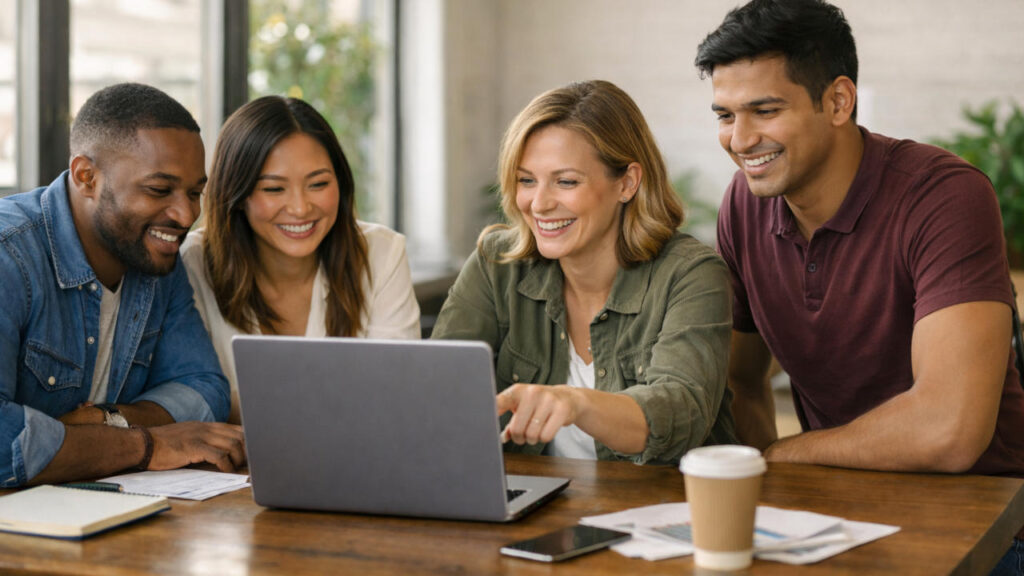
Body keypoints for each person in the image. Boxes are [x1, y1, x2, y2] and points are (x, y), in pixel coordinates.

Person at [696, 0, 1024, 571]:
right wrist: (769, 495)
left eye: (764, 110)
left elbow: (950, 429)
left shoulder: (944, 196)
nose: (740, 140)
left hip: (988, 521)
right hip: (833, 514)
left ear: (838, 101)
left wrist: (785, 457)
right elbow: (738, 379)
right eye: (725, 115)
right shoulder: (744, 207)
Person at [431, 80, 737, 465]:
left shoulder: (690, 274)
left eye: (566, 181)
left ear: (626, 183)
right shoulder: (498, 263)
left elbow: (680, 410)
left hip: (663, 509)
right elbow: (437, 392)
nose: (539, 203)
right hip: (533, 508)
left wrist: (576, 403)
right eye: (527, 180)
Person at [0, 83, 244, 487]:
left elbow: (204, 390)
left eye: (195, 193)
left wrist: (105, 420)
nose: (185, 216)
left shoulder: (152, 253)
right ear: (87, 177)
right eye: (159, 190)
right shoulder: (10, 256)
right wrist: (148, 446)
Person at [181, 96, 420, 424]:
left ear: (341, 182)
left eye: (318, 184)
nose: (300, 208)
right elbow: (192, 400)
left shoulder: (381, 252)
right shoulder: (192, 264)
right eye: (274, 189)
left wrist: (247, 406)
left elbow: (398, 392)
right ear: (237, 194)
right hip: (234, 470)